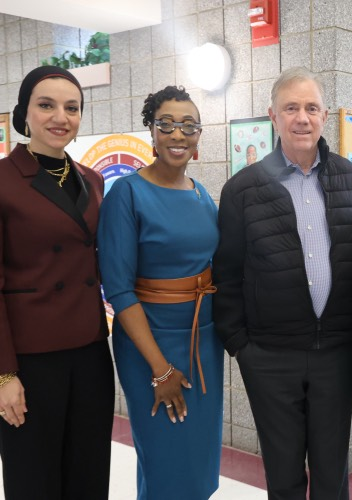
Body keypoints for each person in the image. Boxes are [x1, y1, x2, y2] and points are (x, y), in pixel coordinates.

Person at [213, 67, 352, 499]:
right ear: (273, 116)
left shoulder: (349, 179)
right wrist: (241, 347)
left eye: (311, 108)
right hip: (269, 356)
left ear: (324, 116)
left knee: (331, 471)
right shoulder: (242, 189)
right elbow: (226, 273)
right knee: (283, 475)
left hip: (335, 354)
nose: (302, 118)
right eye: (291, 108)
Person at [98, 86, 223, 499]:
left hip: (203, 340)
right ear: (151, 131)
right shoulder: (127, 194)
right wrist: (161, 369)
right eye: (166, 124)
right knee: (165, 458)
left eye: (189, 125)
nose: (178, 134)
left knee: (199, 462)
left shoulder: (202, 194)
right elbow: (119, 290)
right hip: (150, 343)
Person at [0, 66, 114, 499]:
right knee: (34, 478)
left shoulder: (92, 178)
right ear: (24, 113)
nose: (59, 116)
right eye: (46, 105)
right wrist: (3, 374)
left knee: (88, 473)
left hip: (89, 352)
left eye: (72, 107)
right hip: (30, 359)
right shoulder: (4, 180)